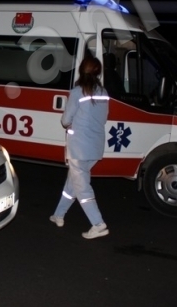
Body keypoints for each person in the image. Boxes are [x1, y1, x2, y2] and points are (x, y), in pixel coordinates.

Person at [49, 55, 110, 239]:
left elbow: (65, 120)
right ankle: (59, 215)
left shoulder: (77, 92)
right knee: (73, 184)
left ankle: (98, 224)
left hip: (78, 148)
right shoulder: (104, 92)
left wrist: (71, 123)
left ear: (81, 70)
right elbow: (104, 118)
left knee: (82, 187)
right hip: (95, 147)